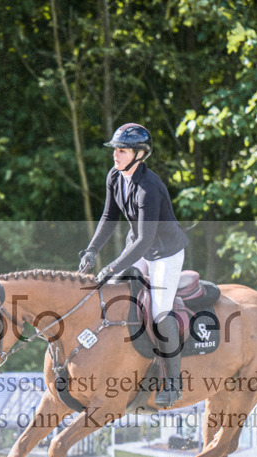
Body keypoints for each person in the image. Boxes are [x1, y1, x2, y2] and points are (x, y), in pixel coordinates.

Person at [78, 123, 189, 408]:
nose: (116, 155)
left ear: (140, 154)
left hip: (165, 253)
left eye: (122, 150)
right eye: (115, 149)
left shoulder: (149, 187)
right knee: (113, 296)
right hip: (139, 246)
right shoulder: (115, 176)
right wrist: (92, 249)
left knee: (159, 311)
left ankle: (173, 383)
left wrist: (112, 266)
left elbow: (144, 240)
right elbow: (108, 216)